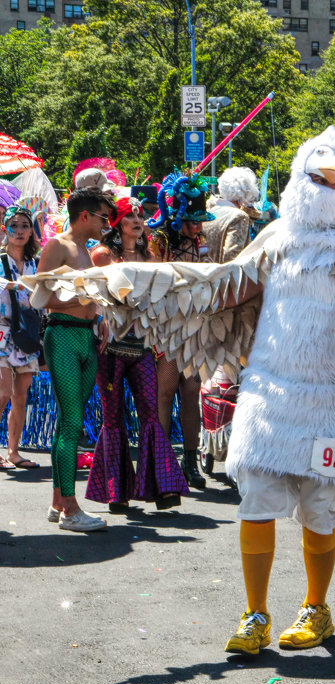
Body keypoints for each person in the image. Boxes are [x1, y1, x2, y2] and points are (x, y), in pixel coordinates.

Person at [22, 128, 335, 654]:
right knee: (256, 498)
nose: (331, 187)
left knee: (322, 506)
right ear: (299, 183)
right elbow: (218, 283)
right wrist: (124, 279)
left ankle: (316, 607)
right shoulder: (278, 237)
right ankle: (255, 613)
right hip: (271, 393)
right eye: (320, 178)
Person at [86, 197, 188, 513]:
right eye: (130, 215)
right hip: (111, 346)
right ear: (117, 222)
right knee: (113, 418)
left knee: (150, 413)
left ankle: (163, 488)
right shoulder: (102, 255)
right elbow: (103, 294)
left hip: (142, 345)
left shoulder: (151, 256)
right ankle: (117, 492)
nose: (137, 219)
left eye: (140, 215)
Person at [37, 187, 115, 531]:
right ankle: (70, 509)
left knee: (67, 422)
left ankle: (58, 501)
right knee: (71, 424)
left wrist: (97, 317)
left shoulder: (87, 251)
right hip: (63, 336)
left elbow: (89, 299)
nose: (107, 224)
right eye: (103, 217)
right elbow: (39, 298)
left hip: (85, 338)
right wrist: (83, 302)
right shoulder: (58, 246)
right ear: (85, 215)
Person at [148, 170, 215, 489]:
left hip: (195, 327)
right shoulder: (159, 242)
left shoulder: (200, 242)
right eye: (192, 220)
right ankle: (163, 462)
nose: (198, 226)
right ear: (177, 218)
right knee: (165, 392)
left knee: (191, 392)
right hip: (167, 327)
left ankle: (190, 460)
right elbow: (154, 283)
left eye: (201, 220)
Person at [0, 205, 41, 470]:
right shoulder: (0, 259)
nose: (19, 230)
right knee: (2, 392)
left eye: (25, 225)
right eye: (13, 225)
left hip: (26, 331)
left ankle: (14, 452)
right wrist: (11, 284)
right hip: (2, 330)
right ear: (5, 229)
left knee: (20, 396)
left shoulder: (36, 264)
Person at [203, 166, 259, 263]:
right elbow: (232, 259)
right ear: (247, 192)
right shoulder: (239, 217)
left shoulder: (208, 212)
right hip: (222, 276)